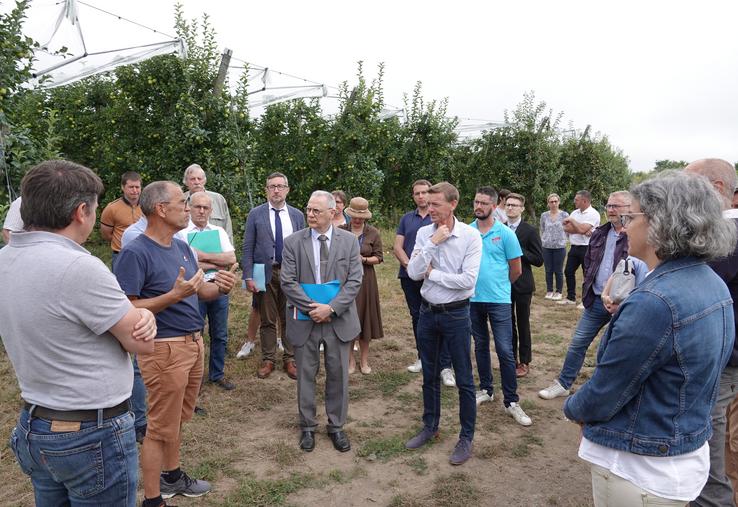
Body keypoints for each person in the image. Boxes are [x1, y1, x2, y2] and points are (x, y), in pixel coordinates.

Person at [564, 171, 736, 505]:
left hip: (639, 467)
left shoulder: (655, 301)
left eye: (632, 216)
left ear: (661, 223)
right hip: (678, 453)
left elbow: (606, 390)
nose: (625, 226)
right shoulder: (710, 280)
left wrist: (572, 408)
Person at [0, 160, 156, 506]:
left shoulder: (5, 259)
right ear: (81, 211)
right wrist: (145, 314)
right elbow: (139, 342)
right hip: (90, 433)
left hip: (35, 423)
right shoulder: (79, 267)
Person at [115, 181, 237, 506]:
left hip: (193, 344)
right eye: (182, 202)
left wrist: (222, 287)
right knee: (158, 428)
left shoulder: (182, 247)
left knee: (176, 420)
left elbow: (202, 292)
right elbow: (125, 309)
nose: (188, 208)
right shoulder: (135, 252)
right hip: (164, 349)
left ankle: (172, 476)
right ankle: (153, 499)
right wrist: (172, 296)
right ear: (160, 209)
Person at [539, 191, 646, 400]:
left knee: (616, 349)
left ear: (630, 209)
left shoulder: (638, 235)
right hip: (596, 299)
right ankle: (563, 383)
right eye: (609, 205)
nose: (611, 210)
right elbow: (589, 261)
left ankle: (611, 393)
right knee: (578, 342)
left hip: (625, 304)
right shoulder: (600, 233)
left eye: (617, 206)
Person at [405, 182, 482, 465]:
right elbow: (413, 273)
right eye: (427, 202)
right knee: (429, 374)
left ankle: (466, 437)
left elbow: (467, 282)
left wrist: (434, 275)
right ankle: (430, 426)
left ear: (453, 204)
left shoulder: (471, 237)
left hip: (457, 315)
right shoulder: (426, 233)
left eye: (436, 204)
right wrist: (431, 243)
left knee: (463, 378)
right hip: (428, 313)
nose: (429, 207)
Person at [280, 190, 363, 453]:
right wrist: (312, 308)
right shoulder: (293, 242)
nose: (310, 214)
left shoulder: (349, 241)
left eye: (316, 210)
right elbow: (288, 281)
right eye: (308, 209)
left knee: (338, 375)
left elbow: (355, 280)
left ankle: (336, 427)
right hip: (305, 319)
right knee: (305, 375)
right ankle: (307, 427)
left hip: (338, 319)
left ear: (332, 212)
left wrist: (331, 308)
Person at [685, 158, 738, 507]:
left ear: (717, 189)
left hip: (721, 358)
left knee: (709, 451)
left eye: (693, 187)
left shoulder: (725, 236)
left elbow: (697, 292)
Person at [468, 187, 531, 427]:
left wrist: (499, 287)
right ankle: (486, 388)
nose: (479, 206)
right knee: (481, 346)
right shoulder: (467, 231)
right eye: (476, 201)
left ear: (495, 206)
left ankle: (512, 401)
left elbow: (516, 269)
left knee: (505, 350)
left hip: (499, 301)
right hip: (472, 300)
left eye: (484, 203)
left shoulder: (505, 234)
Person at [242, 172, 305, 379]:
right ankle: (268, 359)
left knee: (289, 317)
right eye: (272, 186)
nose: (276, 190)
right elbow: (248, 246)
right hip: (263, 272)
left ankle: (290, 358)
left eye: (280, 186)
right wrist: (248, 276)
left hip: (290, 272)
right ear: (266, 189)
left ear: (287, 189)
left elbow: (303, 247)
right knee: (267, 318)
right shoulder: (255, 214)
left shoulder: (297, 215)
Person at [394, 180, 454, 383]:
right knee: (418, 317)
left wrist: (427, 270)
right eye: (416, 193)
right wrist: (411, 265)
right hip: (410, 276)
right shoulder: (406, 219)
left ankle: (445, 365)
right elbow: (398, 246)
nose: (420, 196)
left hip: (435, 277)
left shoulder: (440, 216)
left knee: (443, 318)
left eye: (423, 193)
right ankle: (423, 356)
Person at [185, 191, 238, 390]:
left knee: (220, 333)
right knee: (194, 335)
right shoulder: (181, 233)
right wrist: (215, 260)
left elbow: (231, 259)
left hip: (219, 286)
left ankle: (217, 374)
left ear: (211, 210)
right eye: (197, 207)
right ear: (189, 208)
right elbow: (187, 264)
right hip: (194, 290)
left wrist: (202, 257)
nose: (201, 211)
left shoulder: (218, 231)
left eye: (205, 207)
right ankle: (194, 380)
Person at [340, 197, 383, 374]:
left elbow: (379, 257)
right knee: (348, 319)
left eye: (361, 217)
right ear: (350, 214)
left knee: (365, 319)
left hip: (367, 282)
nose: (357, 219)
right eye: (354, 216)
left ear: (366, 217)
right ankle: (350, 361)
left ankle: (364, 361)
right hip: (346, 281)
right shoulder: (341, 231)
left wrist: (363, 259)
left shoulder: (373, 233)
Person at [505, 193, 543, 377]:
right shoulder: (499, 228)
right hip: (502, 284)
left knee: (522, 323)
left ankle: (525, 361)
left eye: (514, 205)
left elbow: (538, 259)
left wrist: (517, 251)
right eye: (508, 205)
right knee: (507, 323)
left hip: (523, 285)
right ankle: (510, 359)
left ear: (521, 208)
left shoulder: (529, 230)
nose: (511, 208)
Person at [559, 190, 600, 306]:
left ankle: (585, 300)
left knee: (587, 274)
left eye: (576, 200)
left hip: (587, 248)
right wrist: (581, 229)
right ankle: (571, 298)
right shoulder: (575, 213)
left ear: (584, 201)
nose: (574, 201)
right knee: (568, 271)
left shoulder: (593, 214)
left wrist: (573, 223)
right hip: (574, 247)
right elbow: (567, 228)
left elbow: (580, 229)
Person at [100, 171, 142, 269]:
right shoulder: (112, 208)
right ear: (123, 187)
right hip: (120, 255)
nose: (135, 190)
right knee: (121, 284)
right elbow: (106, 234)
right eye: (131, 187)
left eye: (137, 187)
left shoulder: (148, 206)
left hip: (144, 254)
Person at [182, 163, 233, 244]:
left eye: (199, 178)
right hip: (188, 250)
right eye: (192, 179)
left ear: (204, 180)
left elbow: (228, 228)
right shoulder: (180, 201)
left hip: (216, 249)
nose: (196, 182)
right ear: (186, 182)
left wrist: (229, 249)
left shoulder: (218, 199)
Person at [540, 193, 569, 300]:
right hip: (546, 246)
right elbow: (542, 229)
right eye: (551, 202)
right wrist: (543, 239)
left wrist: (564, 239)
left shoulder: (564, 215)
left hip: (560, 246)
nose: (554, 203)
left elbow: (568, 228)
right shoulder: (544, 215)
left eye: (555, 201)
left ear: (559, 202)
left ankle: (559, 291)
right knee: (548, 270)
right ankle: (549, 290)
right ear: (548, 203)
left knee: (558, 270)